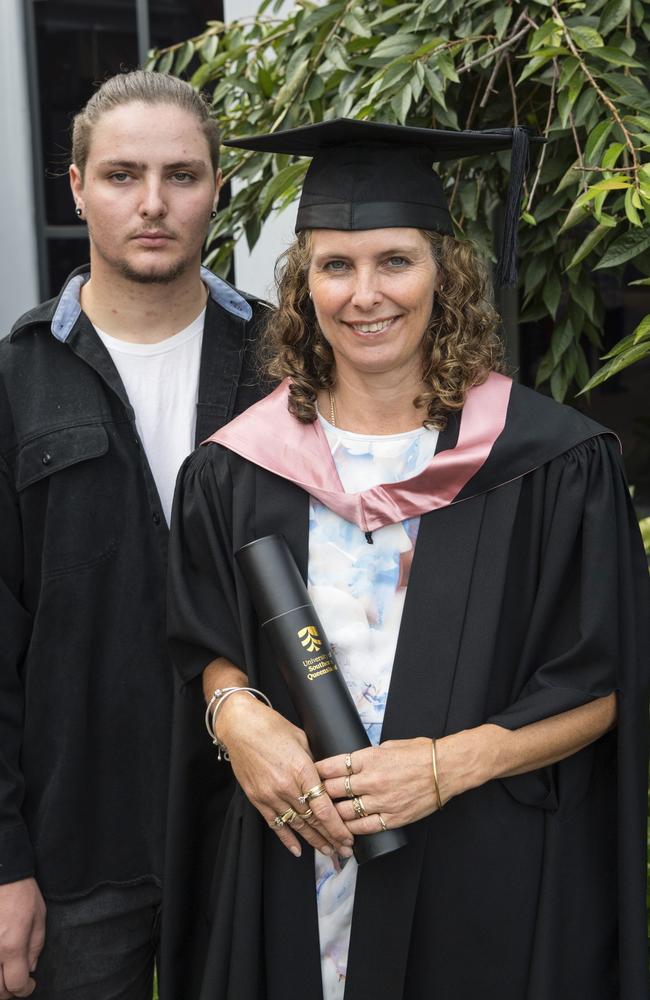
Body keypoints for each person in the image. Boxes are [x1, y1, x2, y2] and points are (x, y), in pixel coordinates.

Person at [165, 120, 649, 1000]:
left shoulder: (551, 462)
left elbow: (602, 687)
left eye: (395, 260)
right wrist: (234, 713)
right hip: (294, 869)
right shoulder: (236, 467)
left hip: (482, 875)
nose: (365, 294)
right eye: (335, 266)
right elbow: (204, 633)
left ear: (445, 274)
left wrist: (448, 765)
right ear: (303, 285)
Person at [0, 70, 267, 999]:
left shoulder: (285, 370)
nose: (152, 204)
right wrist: (4, 862)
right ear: (75, 188)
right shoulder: (15, 382)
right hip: (78, 848)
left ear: (217, 190)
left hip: (257, 836)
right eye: (120, 175)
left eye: (181, 175)